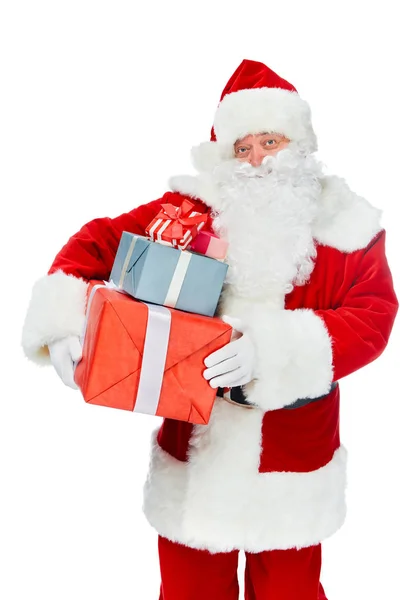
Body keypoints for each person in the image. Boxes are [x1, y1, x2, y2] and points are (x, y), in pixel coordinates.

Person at [21, 59, 398, 600]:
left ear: (299, 144)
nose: (257, 160)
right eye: (241, 149)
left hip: (292, 461)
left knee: (290, 592)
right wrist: (65, 319)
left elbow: (374, 314)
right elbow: (98, 242)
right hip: (195, 452)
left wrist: (268, 355)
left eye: (270, 141)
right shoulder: (186, 212)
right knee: (190, 590)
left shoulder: (348, 225)